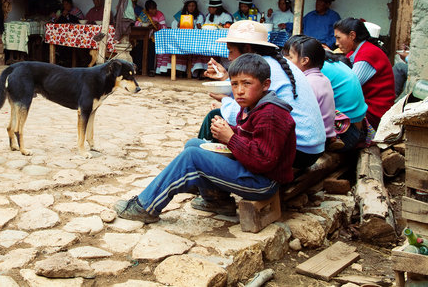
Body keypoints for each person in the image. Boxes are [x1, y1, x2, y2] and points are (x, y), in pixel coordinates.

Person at [113, 53, 296, 222]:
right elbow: (250, 137)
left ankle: (146, 207)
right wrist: (228, 130)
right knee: (194, 144)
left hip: (263, 183)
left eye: (246, 84)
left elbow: (264, 161)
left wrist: (230, 138)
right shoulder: (253, 105)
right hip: (252, 173)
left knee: (192, 156)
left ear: (265, 85)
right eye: (234, 84)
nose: (239, 90)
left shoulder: (271, 113)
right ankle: (217, 200)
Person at [198, 21, 326, 169]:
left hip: (298, 149)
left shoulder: (265, 69)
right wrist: (226, 79)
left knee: (216, 117)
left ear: (246, 48)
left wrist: (225, 102)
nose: (229, 57)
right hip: (311, 147)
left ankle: (205, 165)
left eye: (231, 51)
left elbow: (239, 115)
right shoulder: (272, 63)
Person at [334, 18, 395, 129]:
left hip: (375, 112)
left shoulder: (368, 54)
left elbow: (348, 87)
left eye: (338, 38)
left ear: (352, 35)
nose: (336, 43)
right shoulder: (354, 52)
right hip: (367, 106)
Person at [282, 36, 339, 149]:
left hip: (315, 139)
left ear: (304, 60)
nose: (288, 62)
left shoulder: (306, 83)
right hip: (326, 134)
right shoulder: (323, 79)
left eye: (291, 57)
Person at [166, 0, 208, 78]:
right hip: (182, 39)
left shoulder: (199, 16)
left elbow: (201, 28)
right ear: (186, 6)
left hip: (195, 40)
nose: (191, 8)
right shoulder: (180, 15)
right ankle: (178, 70)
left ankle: (192, 71)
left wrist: (198, 27)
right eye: (189, 6)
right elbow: (173, 26)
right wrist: (178, 26)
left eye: (193, 6)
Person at [132, 0, 166, 76]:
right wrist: (144, 24)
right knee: (138, 47)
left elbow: (164, 27)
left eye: (155, 8)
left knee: (151, 48)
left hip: (155, 38)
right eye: (152, 9)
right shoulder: (143, 14)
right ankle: (139, 68)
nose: (154, 10)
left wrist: (158, 25)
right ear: (147, 10)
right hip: (144, 37)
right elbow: (136, 23)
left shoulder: (160, 14)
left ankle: (151, 69)